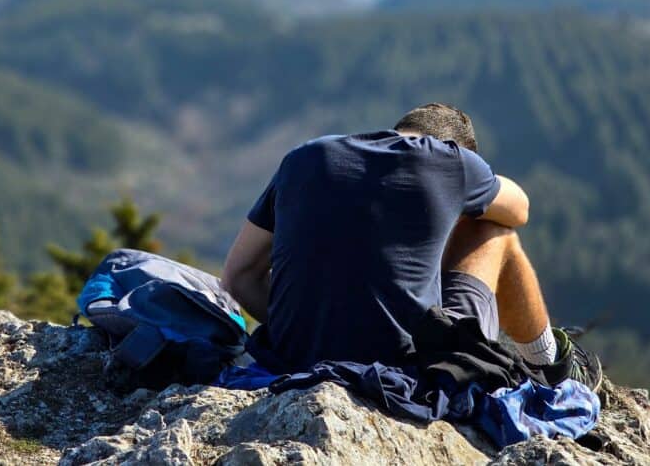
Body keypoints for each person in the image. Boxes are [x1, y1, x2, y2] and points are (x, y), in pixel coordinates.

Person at [220, 102, 601, 389]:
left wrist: (316, 326)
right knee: (496, 235)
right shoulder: (453, 163)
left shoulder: (306, 157)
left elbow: (238, 276)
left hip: (290, 358)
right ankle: (550, 365)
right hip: (406, 369)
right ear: (458, 148)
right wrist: (465, 201)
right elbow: (519, 208)